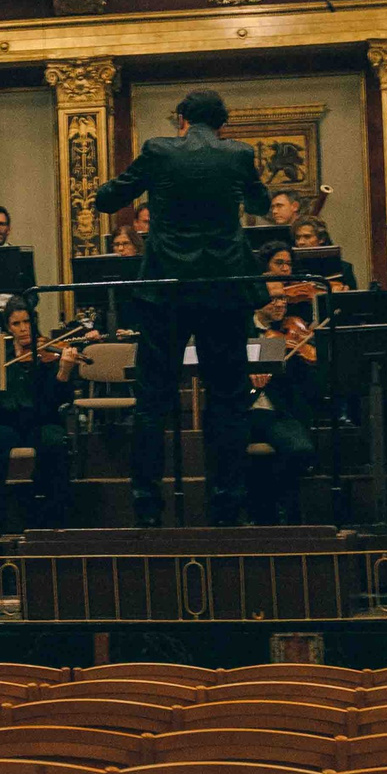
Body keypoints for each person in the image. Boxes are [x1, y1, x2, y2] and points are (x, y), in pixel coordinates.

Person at [92, 88, 269, 527]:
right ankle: (227, 505)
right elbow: (261, 205)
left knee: (152, 399)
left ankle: (147, 507)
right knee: (228, 399)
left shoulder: (159, 151)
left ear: (182, 120)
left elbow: (108, 199)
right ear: (222, 123)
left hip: (166, 290)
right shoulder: (239, 154)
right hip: (223, 290)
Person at [0, 302, 83, 529]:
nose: (23, 328)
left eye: (27, 322)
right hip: (10, 426)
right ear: (8, 327)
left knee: (55, 442)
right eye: (16, 324)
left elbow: (56, 402)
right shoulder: (3, 356)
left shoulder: (49, 355)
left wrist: (63, 372)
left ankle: (53, 518)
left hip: (41, 422)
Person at [246, 288, 320, 524]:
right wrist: (247, 375)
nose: (281, 304)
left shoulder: (290, 332)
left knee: (301, 450)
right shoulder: (238, 329)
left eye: (284, 298)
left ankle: (276, 505)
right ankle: (259, 510)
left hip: (277, 412)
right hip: (242, 411)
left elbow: (308, 388)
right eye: (274, 298)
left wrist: (301, 355)